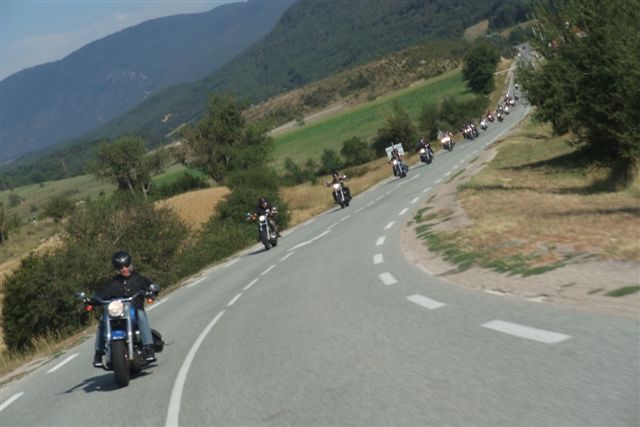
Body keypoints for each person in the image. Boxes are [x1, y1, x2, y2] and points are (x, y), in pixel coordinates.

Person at [91, 251, 157, 367]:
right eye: (120, 267)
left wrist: (152, 291)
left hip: (134, 309)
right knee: (102, 321)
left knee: (141, 315)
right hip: (117, 313)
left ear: (130, 264)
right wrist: (93, 300)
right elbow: (102, 294)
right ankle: (98, 353)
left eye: (126, 266)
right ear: (116, 269)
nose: (124, 269)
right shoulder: (113, 283)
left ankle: (148, 347)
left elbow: (150, 286)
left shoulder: (138, 279)